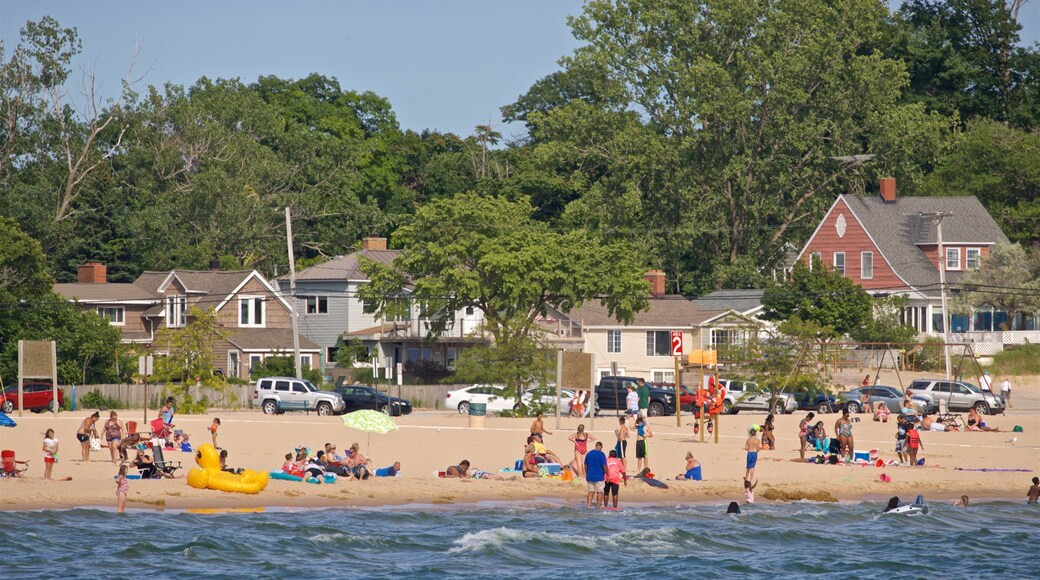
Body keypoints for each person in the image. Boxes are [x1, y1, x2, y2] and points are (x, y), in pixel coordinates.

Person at [584, 441, 608, 508]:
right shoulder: (601, 454)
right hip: (599, 476)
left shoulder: (589, 453)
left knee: (591, 492)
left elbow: (585, 465)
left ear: (596, 446)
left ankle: (588, 506)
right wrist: (607, 474)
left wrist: (587, 473)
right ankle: (598, 507)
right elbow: (604, 465)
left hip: (590, 476)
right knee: (599, 492)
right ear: (600, 447)